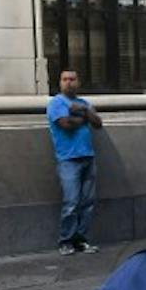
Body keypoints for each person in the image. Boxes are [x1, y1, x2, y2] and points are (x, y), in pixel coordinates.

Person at [48, 68, 102, 255]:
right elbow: (66, 124)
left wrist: (84, 112)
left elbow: (98, 123)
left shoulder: (84, 103)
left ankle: (81, 240)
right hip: (68, 159)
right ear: (60, 82)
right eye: (65, 79)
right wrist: (85, 117)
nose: (69, 82)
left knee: (87, 202)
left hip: (88, 156)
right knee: (71, 202)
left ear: (78, 82)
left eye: (72, 79)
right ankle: (66, 241)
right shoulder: (56, 103)